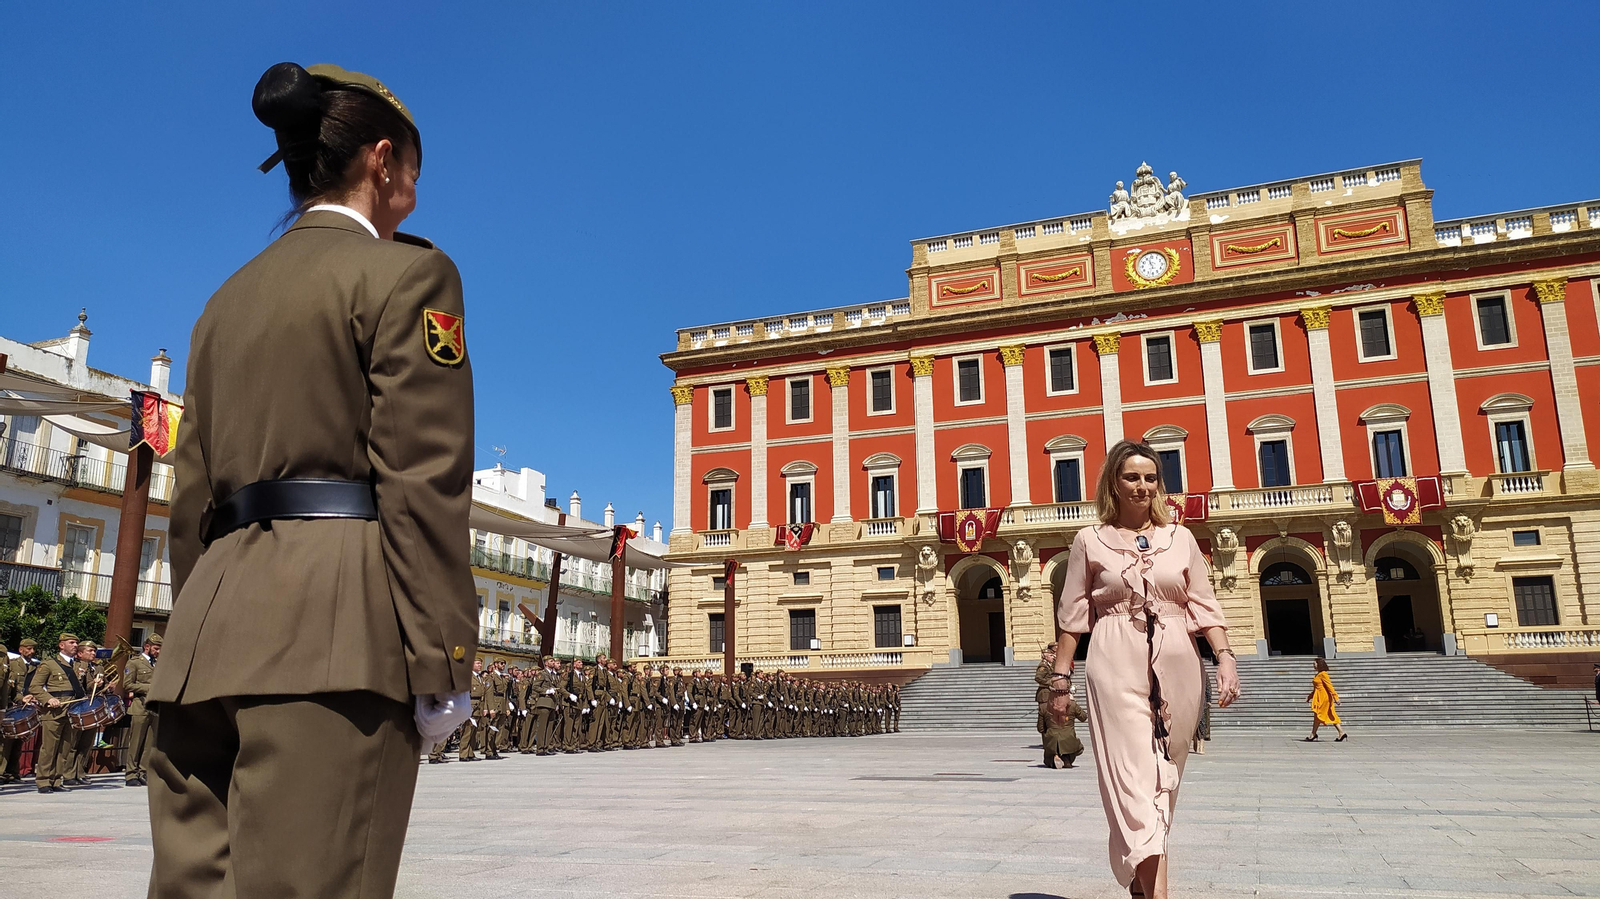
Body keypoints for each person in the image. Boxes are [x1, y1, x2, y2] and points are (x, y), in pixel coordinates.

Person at [148, 62, 477, 898]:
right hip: (338, 643)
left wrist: (204, 630)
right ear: (380, 161)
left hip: (207, 645)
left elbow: (193, 497)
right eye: (412, 170)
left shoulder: (225, 302)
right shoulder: (408, 275)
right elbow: (421, 481)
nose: (413, 189)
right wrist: (443, 659)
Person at [1048, 440, 1240, 899]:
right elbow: (1073, 617)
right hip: (1114, 661)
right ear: (1113, 481)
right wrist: (1060, 679)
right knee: (1135, 784)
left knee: (1164, 784)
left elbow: (1204, 606)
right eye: (1132, 477)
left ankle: (1142, 885)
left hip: (1179, 665)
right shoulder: (1089, 540)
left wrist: (1226, 658)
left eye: (1150, 477)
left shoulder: (1182, 539)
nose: (1142, 486)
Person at [30, 633, 86, 793]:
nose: (75, 645)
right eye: (71, 642)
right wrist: (48, 699)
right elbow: (35, 687)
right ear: (61, 645)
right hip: (54, 712)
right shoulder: (48, 664)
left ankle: (56, 779)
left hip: (71, 711)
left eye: (76, 642)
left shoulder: (77, 665)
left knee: (64, 748)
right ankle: (43, 781)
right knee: (49, 748)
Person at [124, 633, 161, 786]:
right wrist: (148, 687)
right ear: (147, 647)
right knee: (136, 742)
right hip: (140, 705)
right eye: (156, 648)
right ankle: (131, 774)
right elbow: (127, 685)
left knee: (150, 743)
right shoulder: (134, 663)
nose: (158, 651)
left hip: (155, 707)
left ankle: (143, 771)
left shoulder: (159, 663)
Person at [1305, 658, 1347, 742]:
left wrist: (1336, 698)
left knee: (1320, 715)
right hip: (1319, 697)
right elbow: (1316, 688)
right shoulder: (1318, 674)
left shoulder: (1324, 674)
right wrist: (1310, 696)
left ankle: (1313, 734)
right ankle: (1341, 733)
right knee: (1328, 715)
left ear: (1319, 664)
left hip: (1324, 698)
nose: (1313, 665)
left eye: (1315, 663)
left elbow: (1329, 686)